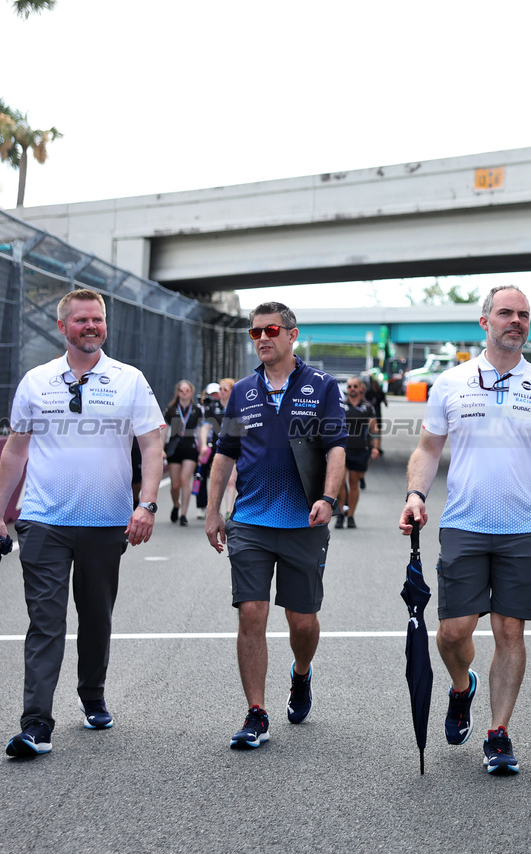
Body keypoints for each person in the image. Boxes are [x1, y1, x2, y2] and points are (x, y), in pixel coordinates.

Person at [399, 285, 531, 775]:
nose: (515, 321)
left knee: (508, 629)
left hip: (522, 529)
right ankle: (462, 687)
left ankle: (498, 733)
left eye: (523, 314)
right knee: (452, 634)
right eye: (505, 313)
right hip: (463, 524)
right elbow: (428, 449)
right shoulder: (451, 383)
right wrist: (416, 495)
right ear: (485, 322)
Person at [0, 288, 164, 758]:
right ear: (63, 327)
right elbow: (15, 451)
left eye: (97, 319)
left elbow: (150, 446)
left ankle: (93, 696)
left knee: (96, 618)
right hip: (44, 520)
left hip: (106, 523)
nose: (91, 326)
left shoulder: (129, 380)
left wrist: (146, 505)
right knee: (45, 621)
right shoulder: (36, 380)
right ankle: (35, 724)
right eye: (81, 320)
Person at [205, 302, 347, 750]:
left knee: (301, 622)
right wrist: (212, 512)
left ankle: (301, 674)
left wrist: (327, 498)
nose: (262, 338)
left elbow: (336, 448)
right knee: (251, 613)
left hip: (303, 521)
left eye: (270, 330)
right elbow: (224, 455)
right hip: (249, 521)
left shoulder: (322, 386)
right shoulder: (242, 391)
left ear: (291, 335)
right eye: (254, 333)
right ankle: (256, 712)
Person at [334, 376, 379, 529]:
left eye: (354, 386)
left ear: (360, 388)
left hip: (360, 450)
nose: (352, 389)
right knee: (340, 483)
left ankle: (351, 515)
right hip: (342, 450)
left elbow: (374, 429)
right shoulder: (340, 406)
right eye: (349, 386)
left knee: (354, 483)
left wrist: (375, 447)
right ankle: (340, 513)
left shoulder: (368, 407)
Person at [162, 380, 207, 527]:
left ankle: (183, 514)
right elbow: (164, 430)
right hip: (174, 448)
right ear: (178, 392)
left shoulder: (197, 409)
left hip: (190, 448)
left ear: (191, 392)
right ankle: (176, 504)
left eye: (187, 390)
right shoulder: (171, 409)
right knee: (175, 485)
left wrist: (202, 448)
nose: (184, 392)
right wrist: (161, 448)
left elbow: (201, 431)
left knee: (184, 480)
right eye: (182, 390)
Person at [196, 383, 225, 518]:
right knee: (201, 475)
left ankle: (220, 507)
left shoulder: (226, 405)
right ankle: (202, 505)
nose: (215, 396)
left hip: (221, 446)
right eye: (212, 394)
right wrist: (202, 445)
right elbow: (204, 426)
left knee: (219, 477)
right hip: (206, 446)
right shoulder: (202, 407)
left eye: (217, 393)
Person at [214, 378, 239, 518]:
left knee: (230, 480)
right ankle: (214, 509)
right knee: (218, 479)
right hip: (217, 448)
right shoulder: (214, 407)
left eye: (225, 389)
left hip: (233, 447)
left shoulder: (238, 406)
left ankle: (229, 509)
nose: (221, 392)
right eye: (220, 389)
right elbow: (205, 426)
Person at [363, 375, 388, 458]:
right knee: (369, 431)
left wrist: (384, 399)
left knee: (378, 431)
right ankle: (370, 446)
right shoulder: (369, 392)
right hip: (369, 415)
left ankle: (377, 447)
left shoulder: (380, 393)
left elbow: (386, 403)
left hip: (377, 414)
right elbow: (364, 401)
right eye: (374, 383)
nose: (375, 385)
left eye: (376, 383)